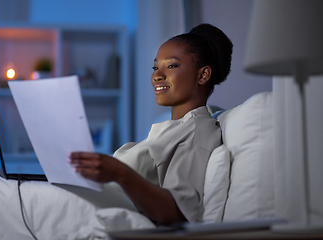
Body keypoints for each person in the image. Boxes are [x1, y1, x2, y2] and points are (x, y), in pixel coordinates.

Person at [69, 23, 233, 225]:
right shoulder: (170, 129)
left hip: (98, 215)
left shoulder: (198, 132)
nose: (157, 75)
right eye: (155, 67)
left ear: (202, 75)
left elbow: (178, 212)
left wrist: (120, 173)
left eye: (171, 65)